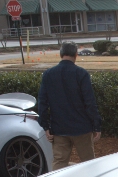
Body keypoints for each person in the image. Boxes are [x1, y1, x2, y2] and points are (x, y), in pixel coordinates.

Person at [37, 42, 102, 170]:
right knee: (89, 164)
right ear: (76, 54)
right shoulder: (81, 74)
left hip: (59, 128)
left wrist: (45, 126)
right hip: (82, 128)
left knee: (59, 163)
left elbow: (42, 102)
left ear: (61, 54)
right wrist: (96, 125)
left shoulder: (48, 74)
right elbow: (89, 102)